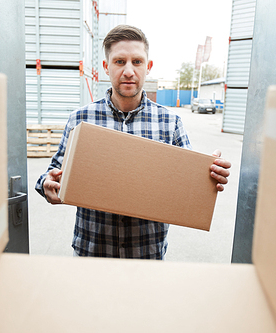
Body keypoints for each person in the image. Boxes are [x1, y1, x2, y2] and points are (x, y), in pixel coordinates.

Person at [36, 25, 231, 260]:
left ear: (148, 67)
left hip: (146, 253)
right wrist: (48, 185)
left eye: (137, 62)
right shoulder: (80, 119)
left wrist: (208, 175)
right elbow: (51, 175)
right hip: (92, 252)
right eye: (120, 62)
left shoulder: (170, 122)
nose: (128, 71)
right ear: (107, 67)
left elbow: (185, 188)